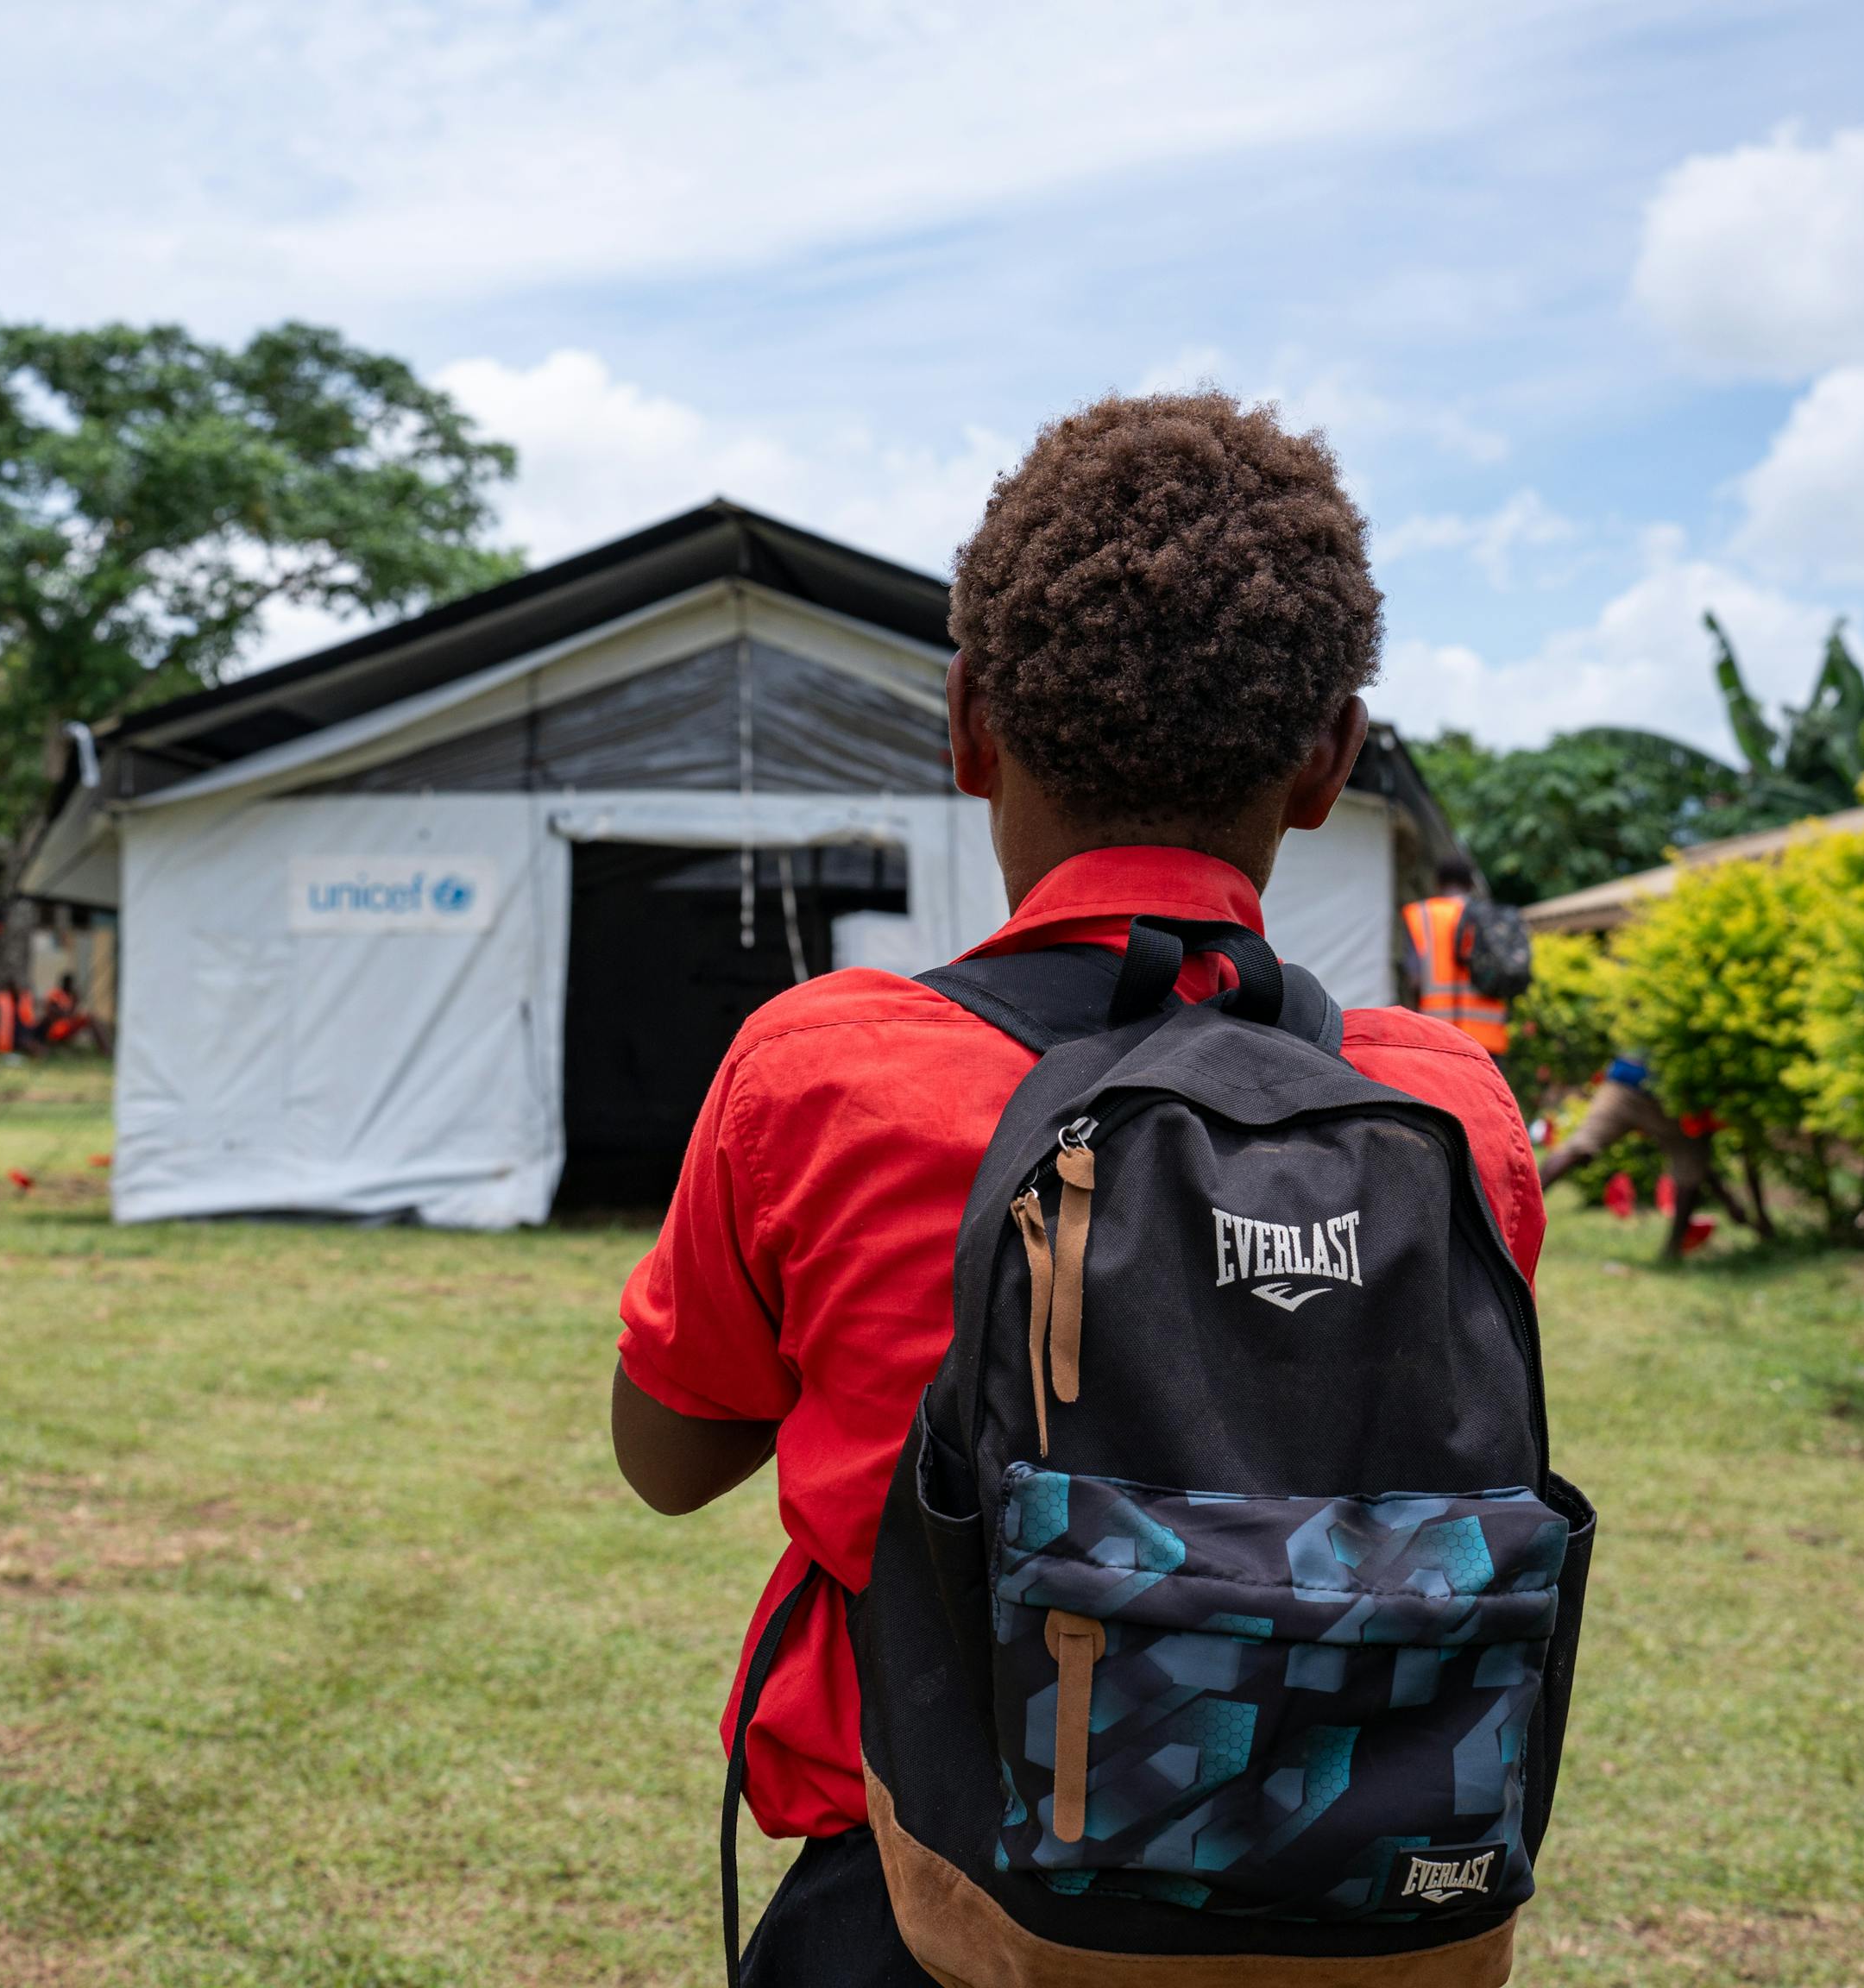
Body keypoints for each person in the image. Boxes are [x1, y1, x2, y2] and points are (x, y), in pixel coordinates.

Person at [608, 393, 1550, 1987]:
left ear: (967, 725)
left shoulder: (827, 1069)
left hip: (927, 1908)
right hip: (1353, 1915)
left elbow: (668, 1456)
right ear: (1326, 764)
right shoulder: (1442, 1106)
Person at [1538, 1050, 1740, 1260]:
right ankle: (1673, 1250)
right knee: (1689, 1163)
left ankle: (1517, 1209)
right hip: (1669, 1092)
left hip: (1624, 1079)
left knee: (1578, 1146)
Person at [1401, 854, 1508, 1054]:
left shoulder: (1421, 914)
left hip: (1439, 1036)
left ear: (1438, 882)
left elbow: (1414, 979)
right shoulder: (1492, 915)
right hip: (1488, 1037)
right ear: (1470, 883)